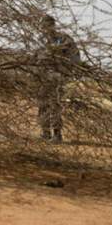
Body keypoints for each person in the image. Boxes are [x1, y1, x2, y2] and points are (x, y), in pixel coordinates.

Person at [37, 15, 79, 143]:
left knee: (54, 104)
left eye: (47, 25)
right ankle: (45, 133)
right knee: (42, 104)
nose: (45, 29)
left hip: (58, 75)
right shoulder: (42, 41)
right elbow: (37, 57)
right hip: (44, 76)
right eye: (43, 27)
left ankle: (57, 135)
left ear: (53, 25)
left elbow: (75, 56)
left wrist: (69, 72)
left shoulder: (64, 39)